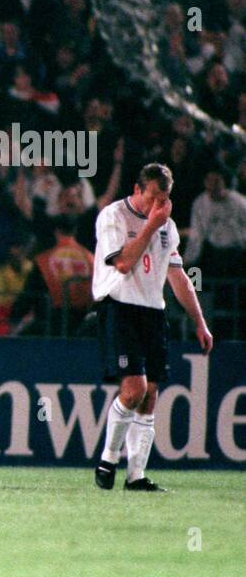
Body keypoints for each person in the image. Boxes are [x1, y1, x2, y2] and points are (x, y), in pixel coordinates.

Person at [91, 163, 213, 492]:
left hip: (152, 312)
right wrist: (150, 225)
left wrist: (199, 321)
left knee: (150, 396)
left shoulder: (166, 228)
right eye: (153, 198)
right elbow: (123, 262)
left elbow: (177, 277)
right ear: (136, 190)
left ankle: (136, 476)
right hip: (119, 306)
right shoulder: (113, 216)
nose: (158, 206)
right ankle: (107, 460)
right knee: (134, 390)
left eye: (165, 199)